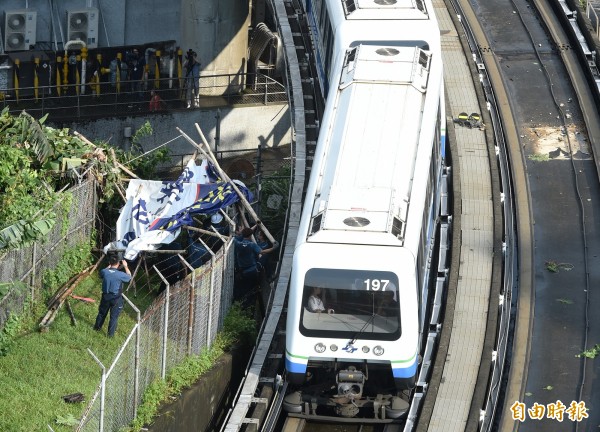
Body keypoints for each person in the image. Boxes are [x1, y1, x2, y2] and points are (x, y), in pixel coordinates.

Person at [93, 255, 132, 337]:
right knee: (113, 317)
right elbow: (129, 277)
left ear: (109, 263)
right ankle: (110, 335)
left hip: (105, 297)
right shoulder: (120, 274)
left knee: (101, 313)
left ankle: (96, 328)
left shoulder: (104, 271)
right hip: (116, 298)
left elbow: (102, 273)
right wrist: (126, 266)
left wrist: (109, 266)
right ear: (118, 264)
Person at [233, 225, 262, 306]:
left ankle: (238, 303)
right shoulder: (252, 245)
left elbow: (246, 234)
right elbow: (262, 252)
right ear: (250, 236)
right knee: (250, 288)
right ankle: (248, 303)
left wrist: (255, 225)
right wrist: (273, 248)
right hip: (252, 270)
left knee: (241, 288)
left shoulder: (237, 242)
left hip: (241, 271)